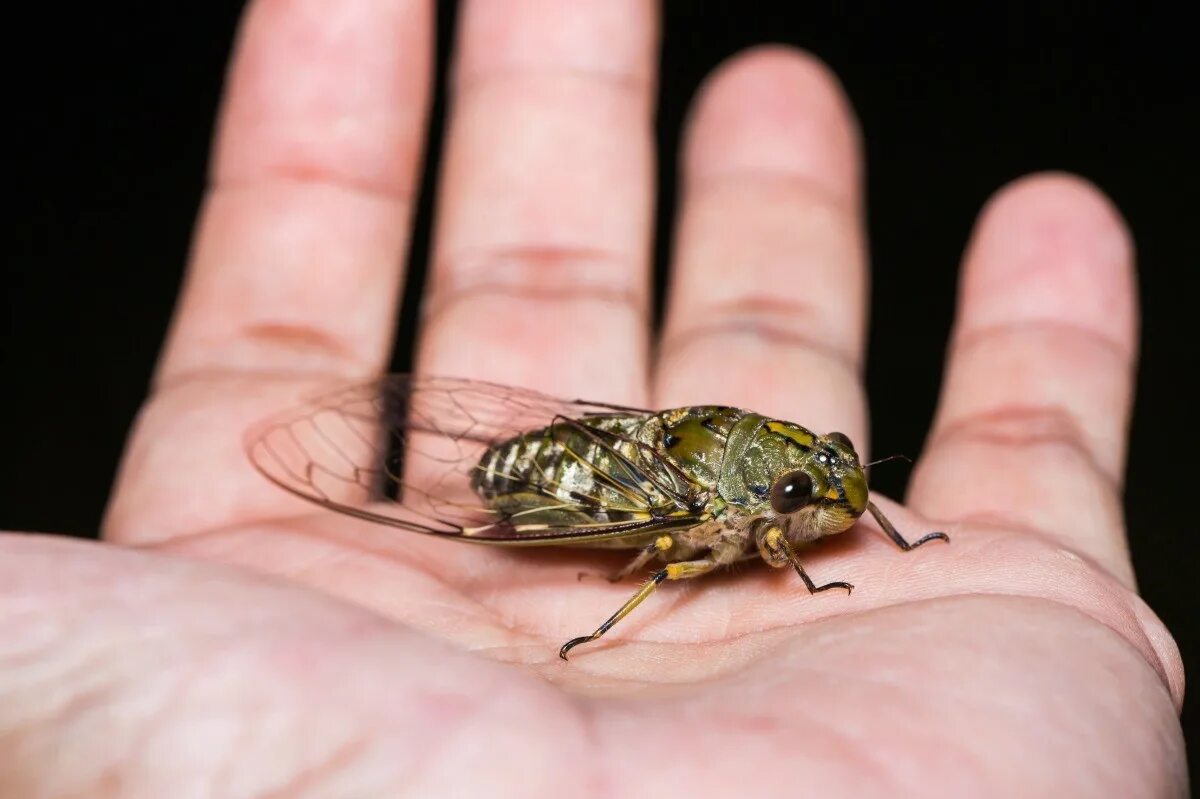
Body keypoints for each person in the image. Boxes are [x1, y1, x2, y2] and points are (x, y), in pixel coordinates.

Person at [2, 2, 1185, 795]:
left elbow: (839, 504)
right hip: (574, 479)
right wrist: (606, 624)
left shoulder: (800, 502)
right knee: (596, 532)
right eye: (803, 492)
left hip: (625, 444)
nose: (829, 501)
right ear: (758, 500)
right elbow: (681, 557)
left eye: (830, 476)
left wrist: (877, 525)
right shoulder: (723, 522)